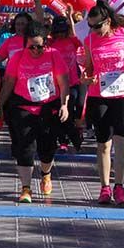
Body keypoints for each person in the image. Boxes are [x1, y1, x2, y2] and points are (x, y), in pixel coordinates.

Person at [0, 21, 70, 202]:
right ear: (26, 44)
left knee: (47, 148)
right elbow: (8, 82)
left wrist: (64, 105)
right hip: (24, 107)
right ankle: (26, 187)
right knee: (25, 148)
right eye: (32, 47)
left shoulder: (54, 55)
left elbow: (63, 83)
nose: (37, 51)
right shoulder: (18, 57)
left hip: (48, 107)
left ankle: (46, 173)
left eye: (40, 47)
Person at [82, 0, 124, 206]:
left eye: (97, 26)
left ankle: (119, 186)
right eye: (90, 26)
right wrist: (86, 79)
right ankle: (105, 187)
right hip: (100, 94)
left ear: (108, 21)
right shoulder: (90, 40)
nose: (94, 30)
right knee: (104, 143)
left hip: (123, 92)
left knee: (121, 140)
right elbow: (87, 68)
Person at [48, 11, 86, 151]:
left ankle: (77, 129)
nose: (61, 34)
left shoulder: (72, 41)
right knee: (65, 111)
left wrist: (70, 17)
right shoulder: (51, 43)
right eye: (58, 32)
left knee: (79, 105)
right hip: (59, 84)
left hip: (75, 81)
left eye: (63, 31)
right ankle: (65, 140)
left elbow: (74, 34)